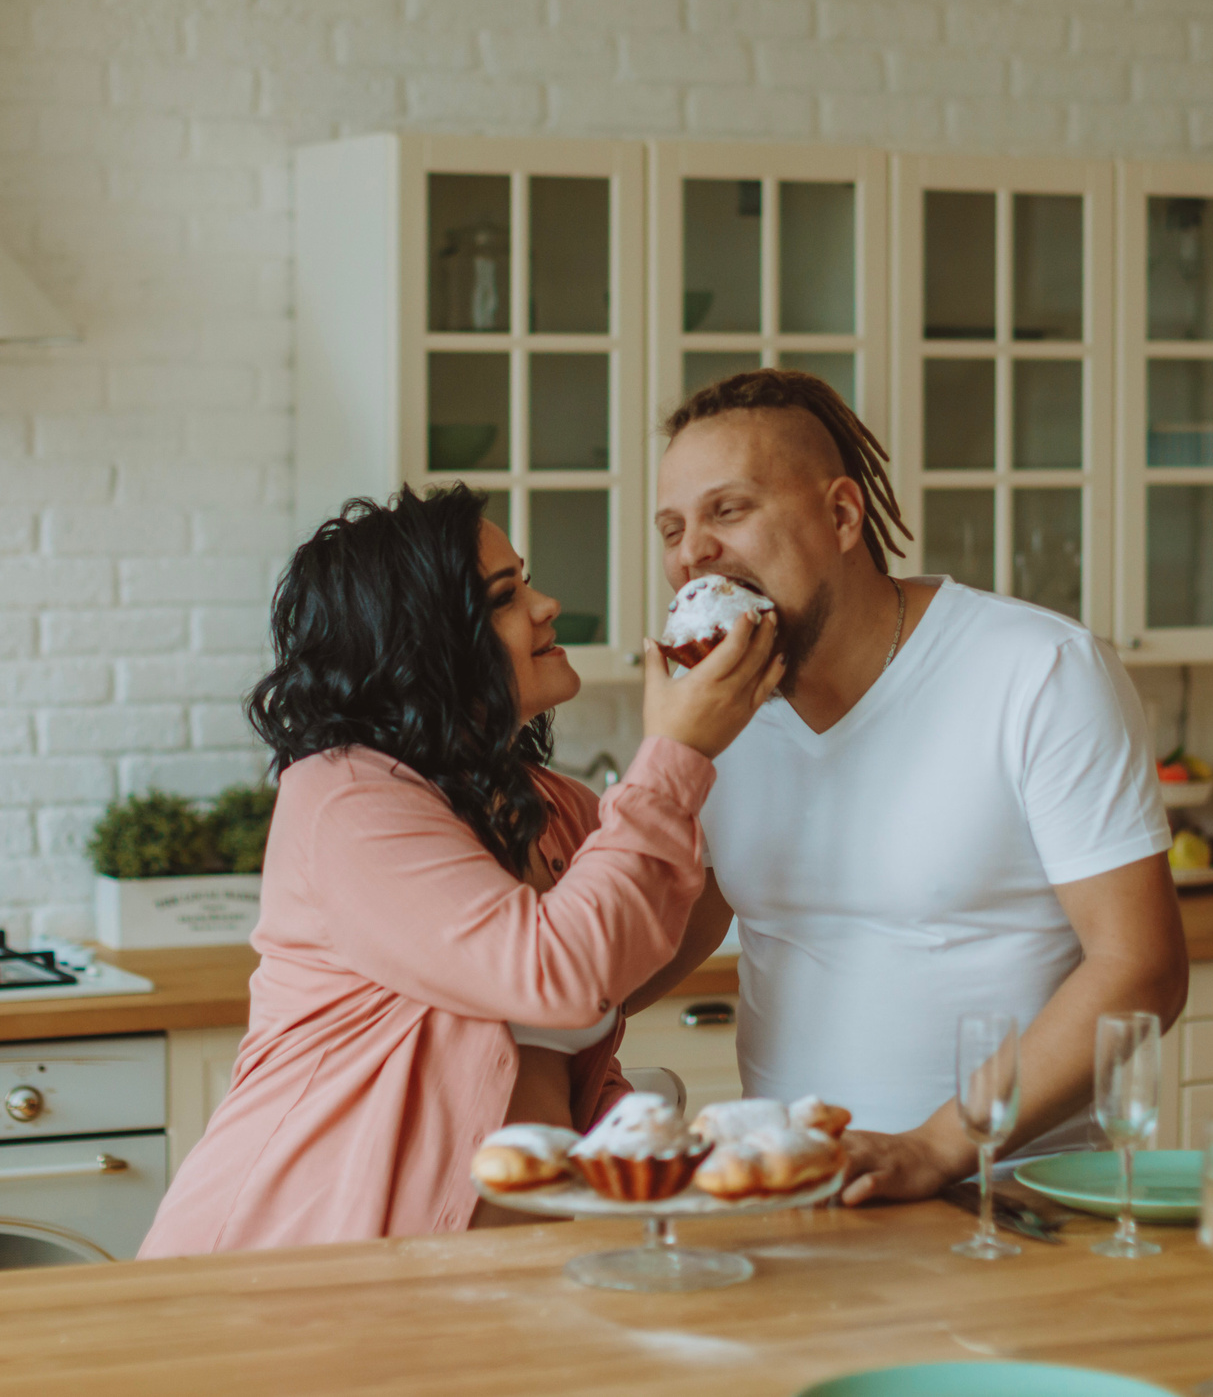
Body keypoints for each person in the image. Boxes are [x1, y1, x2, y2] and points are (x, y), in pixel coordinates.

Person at [140, 484, 782, 1252]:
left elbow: (641, 942)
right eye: (506, 595)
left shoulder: (549, 805)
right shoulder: (345, 797)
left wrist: (750, 714)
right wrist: (674, 754)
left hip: (480, 1275)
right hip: (297, 1263)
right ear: (424, 639)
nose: (547, 605)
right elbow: (560, 969)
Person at [635, 369, 1188, 1207]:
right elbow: (672, 926)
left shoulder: (1039, 670)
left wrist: (935, 1147)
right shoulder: (720, 714)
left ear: (843, 515)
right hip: (794, 1200)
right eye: (672, 527)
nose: (691, 553)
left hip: (1006, 1197)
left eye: (728, 510)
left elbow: (1141, 967)